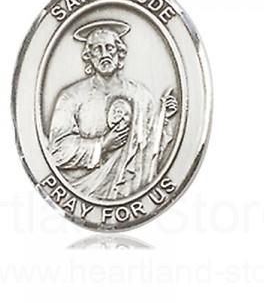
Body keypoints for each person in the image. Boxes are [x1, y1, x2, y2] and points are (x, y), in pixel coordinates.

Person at [48, 20, 178, 200]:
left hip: (131, 191)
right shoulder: (71, 97)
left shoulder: (140, 95)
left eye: (109, 48)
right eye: (97, 49)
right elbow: (57, 152)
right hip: (86, 191)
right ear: (89, 56)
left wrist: (164, 119)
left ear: (119, 53)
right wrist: (102, 145)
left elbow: (150, 150)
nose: (104, 55)